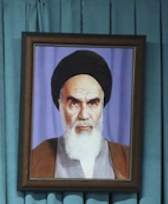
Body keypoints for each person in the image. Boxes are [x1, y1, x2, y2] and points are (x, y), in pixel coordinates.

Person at [31, 50, 130, 179]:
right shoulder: (36, 159)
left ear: (102, 106)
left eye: (92, 103)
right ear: (61, 105)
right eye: (74, 103)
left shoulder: (128, 159)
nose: (84, 115)